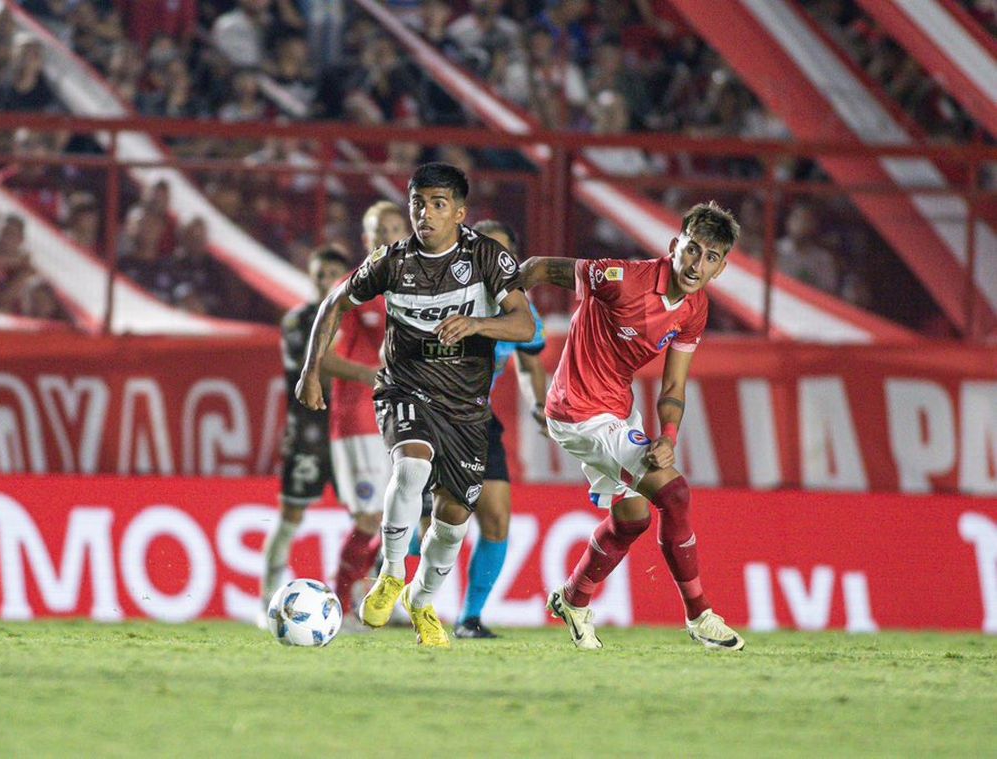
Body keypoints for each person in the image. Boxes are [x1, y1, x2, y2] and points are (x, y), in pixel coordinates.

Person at [296, 162, 535, 647]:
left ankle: (422, 599)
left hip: (466, 406)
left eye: (438, 204)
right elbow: (334, 303)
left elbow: (525, 326)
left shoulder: (488, 257)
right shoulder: (392, 261)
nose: (425, 213)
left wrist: (477, 326)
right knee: (410, 469)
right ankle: (389, 574)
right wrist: (310, 369)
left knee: (452, 520)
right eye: (418, 203)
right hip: (406, 389)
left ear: (460, 213)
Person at [519, 201, 746, 652]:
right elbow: (536, 267)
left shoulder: (694, 309)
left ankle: (574, 599)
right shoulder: (622, 279)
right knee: (674, 493)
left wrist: (668, 438)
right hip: (578, 410)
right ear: (674, 245)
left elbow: (674, 386)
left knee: (632, 519)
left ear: (721, 269)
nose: (697, 264)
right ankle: (700, 615)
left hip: (618, 410)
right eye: (693, 250)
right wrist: (493, 310)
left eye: (711, 258)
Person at [453, 219, 548, 639]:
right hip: (432, 414)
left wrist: (541, 406)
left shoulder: (521, 312)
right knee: (434, 524)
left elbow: (530, 363)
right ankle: (380, 567)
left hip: (479, 417)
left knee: (495, 519)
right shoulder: (445, 294)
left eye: (504, 253)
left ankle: (469, 617)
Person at [320, 201, 409, 621]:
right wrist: (374, 374)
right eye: (379, 230)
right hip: (358, 417)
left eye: (395, 227)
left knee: (404, 516)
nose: (388, 236)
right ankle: (339, 602)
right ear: (366, 240)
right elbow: (324, 357)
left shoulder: (415, 287)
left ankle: (367, 596)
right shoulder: (352, 287)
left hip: (401, 417)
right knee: (373, 516)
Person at [259, 246, 352, 624]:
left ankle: (364, 597)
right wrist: (365, 370)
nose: (325, 279)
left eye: (333, 272)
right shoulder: (299, 321)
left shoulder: (361, 316)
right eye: (319, 272)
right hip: (309, 431)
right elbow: (317, 371)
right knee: (291, 513)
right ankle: (267, 597)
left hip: (351, 430)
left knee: (371, 517)